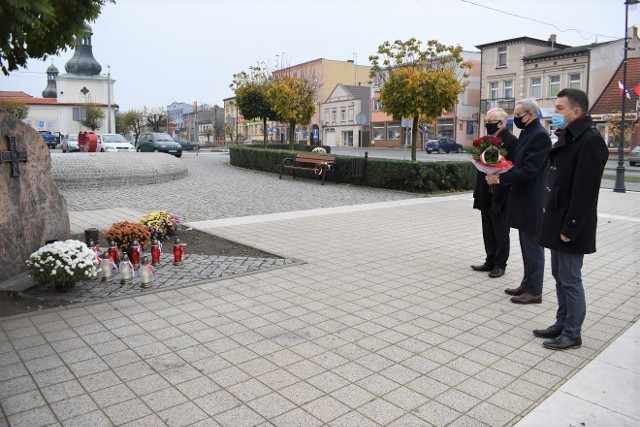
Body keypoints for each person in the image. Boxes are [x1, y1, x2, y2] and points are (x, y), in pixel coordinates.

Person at [533, 88, 608, 350]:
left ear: (576, 112)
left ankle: (572, 333)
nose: (555, 113)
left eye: (560, 109)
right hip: (557, 219)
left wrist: (571, 227)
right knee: (559, 275)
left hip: (570, 224)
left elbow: (585, 192)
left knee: (571, 279)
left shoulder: (590, 140)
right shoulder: (571, 136)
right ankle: (561, 323)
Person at [487, 98, 551, 304]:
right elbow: (518, 164)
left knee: (533, 247)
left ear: (531, 115)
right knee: (525, 245)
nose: (515, 119)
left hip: (532, 199)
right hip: (523, 198)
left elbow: (530, 170)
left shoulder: (539, 136)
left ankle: (534, 291)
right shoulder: (527, 133)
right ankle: (527, 283)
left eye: (518, 115)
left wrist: (501, 178)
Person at [471, 108, 517, 278]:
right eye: (486, 121)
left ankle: (500, 264)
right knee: (488, 229)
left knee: (500, 230)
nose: (487, 124)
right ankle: (490, 260)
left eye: (490, 121)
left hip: (500, 193)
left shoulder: (511, 141)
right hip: (485, 191)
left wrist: (499, 189)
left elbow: (511, 168)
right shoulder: (487, 140)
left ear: (502, 123)